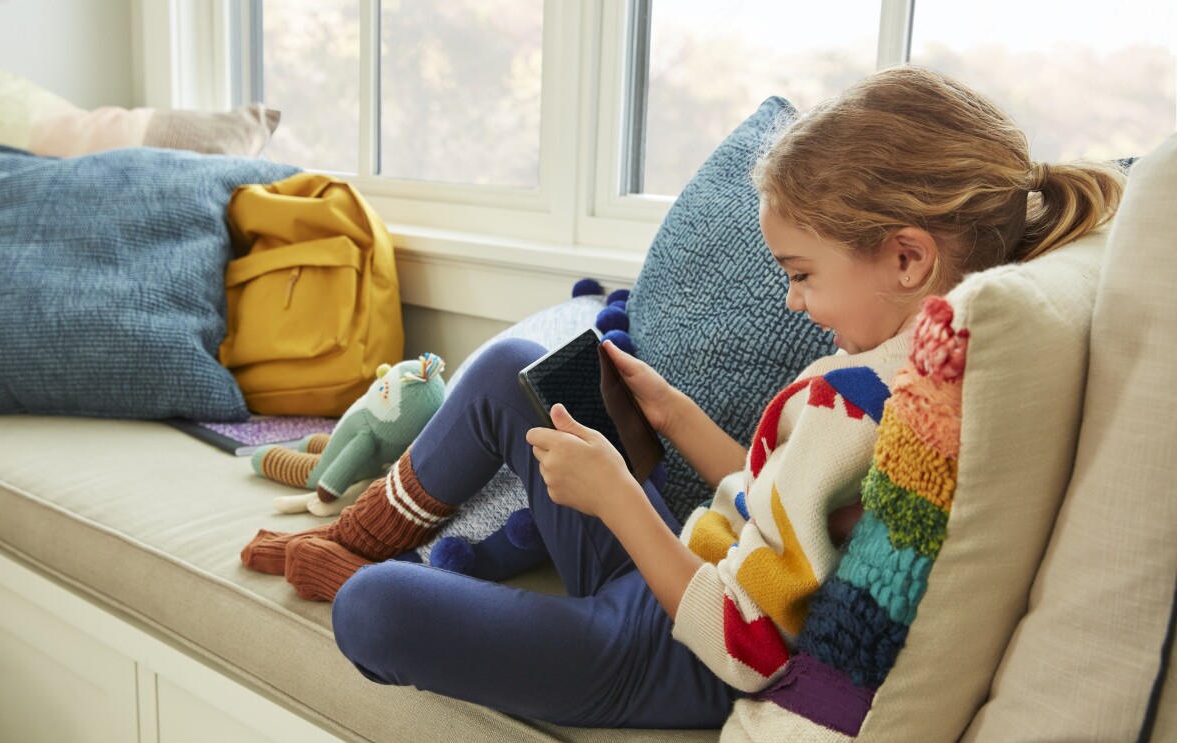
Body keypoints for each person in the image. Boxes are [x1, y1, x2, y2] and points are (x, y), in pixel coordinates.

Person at [239, 65, 1125, 728]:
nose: (793, 301)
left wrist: (619, 498)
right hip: (686, 574)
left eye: (803, 273)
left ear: (906, 256)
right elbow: (788, 513)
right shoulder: (894, 374)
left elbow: (750, 643)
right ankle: (361, 532)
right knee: (520, 366)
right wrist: (675, 418)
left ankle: (359, 562)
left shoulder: (867, 398)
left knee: (374, 609)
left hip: (679, 652)